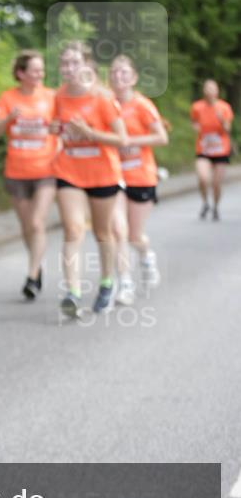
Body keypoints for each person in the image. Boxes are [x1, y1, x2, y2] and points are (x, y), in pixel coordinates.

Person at [50, 42, 127, 318]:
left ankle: (107, 282)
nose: (68, 69)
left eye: (74, 63)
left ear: (86, 65)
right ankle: (73, 292)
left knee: (102, 232)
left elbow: (122, 139)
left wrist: (90, 133)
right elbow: (55, 126)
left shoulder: (103, 98)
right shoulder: (58, 96)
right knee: (72, 229)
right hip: (69, 171)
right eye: (64, 64)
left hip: (102, 173)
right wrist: (55, 129)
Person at [0, 50, 56, 299]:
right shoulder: (8, 98)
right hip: (16, 171)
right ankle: (37, 267)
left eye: (42, 70)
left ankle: (31, 275)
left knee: (38, 223)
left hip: (46, 170)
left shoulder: (51, 97)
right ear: (21, 73)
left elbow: (62, 126)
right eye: (35, 70)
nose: (40, 74)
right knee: (27, 226)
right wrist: (8, 118)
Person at [109, 55, 168, 305]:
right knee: (117, 232)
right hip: (114, 177)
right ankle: (125, 284)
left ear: (133, 78)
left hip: (141, 175)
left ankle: (146, 256)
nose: (118, 77)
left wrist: (129, 141)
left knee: (135, 236)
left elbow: (161, 137)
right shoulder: (106, 104)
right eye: (113, 72)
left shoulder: (142, 105)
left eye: (124, 72)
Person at [191, 80, 234, 221]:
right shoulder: (197, 107)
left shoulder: (224, 107)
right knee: (203, 178)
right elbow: (194, 122)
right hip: (204, 148)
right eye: (207, 88)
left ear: (217, 91)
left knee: (216, 183)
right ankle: (205, 203)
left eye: (212, 88)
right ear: (204, 91)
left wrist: (222, 120)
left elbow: (228, 129)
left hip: (221, 149)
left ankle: (215, 206)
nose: (210, 91)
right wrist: (196, 128)